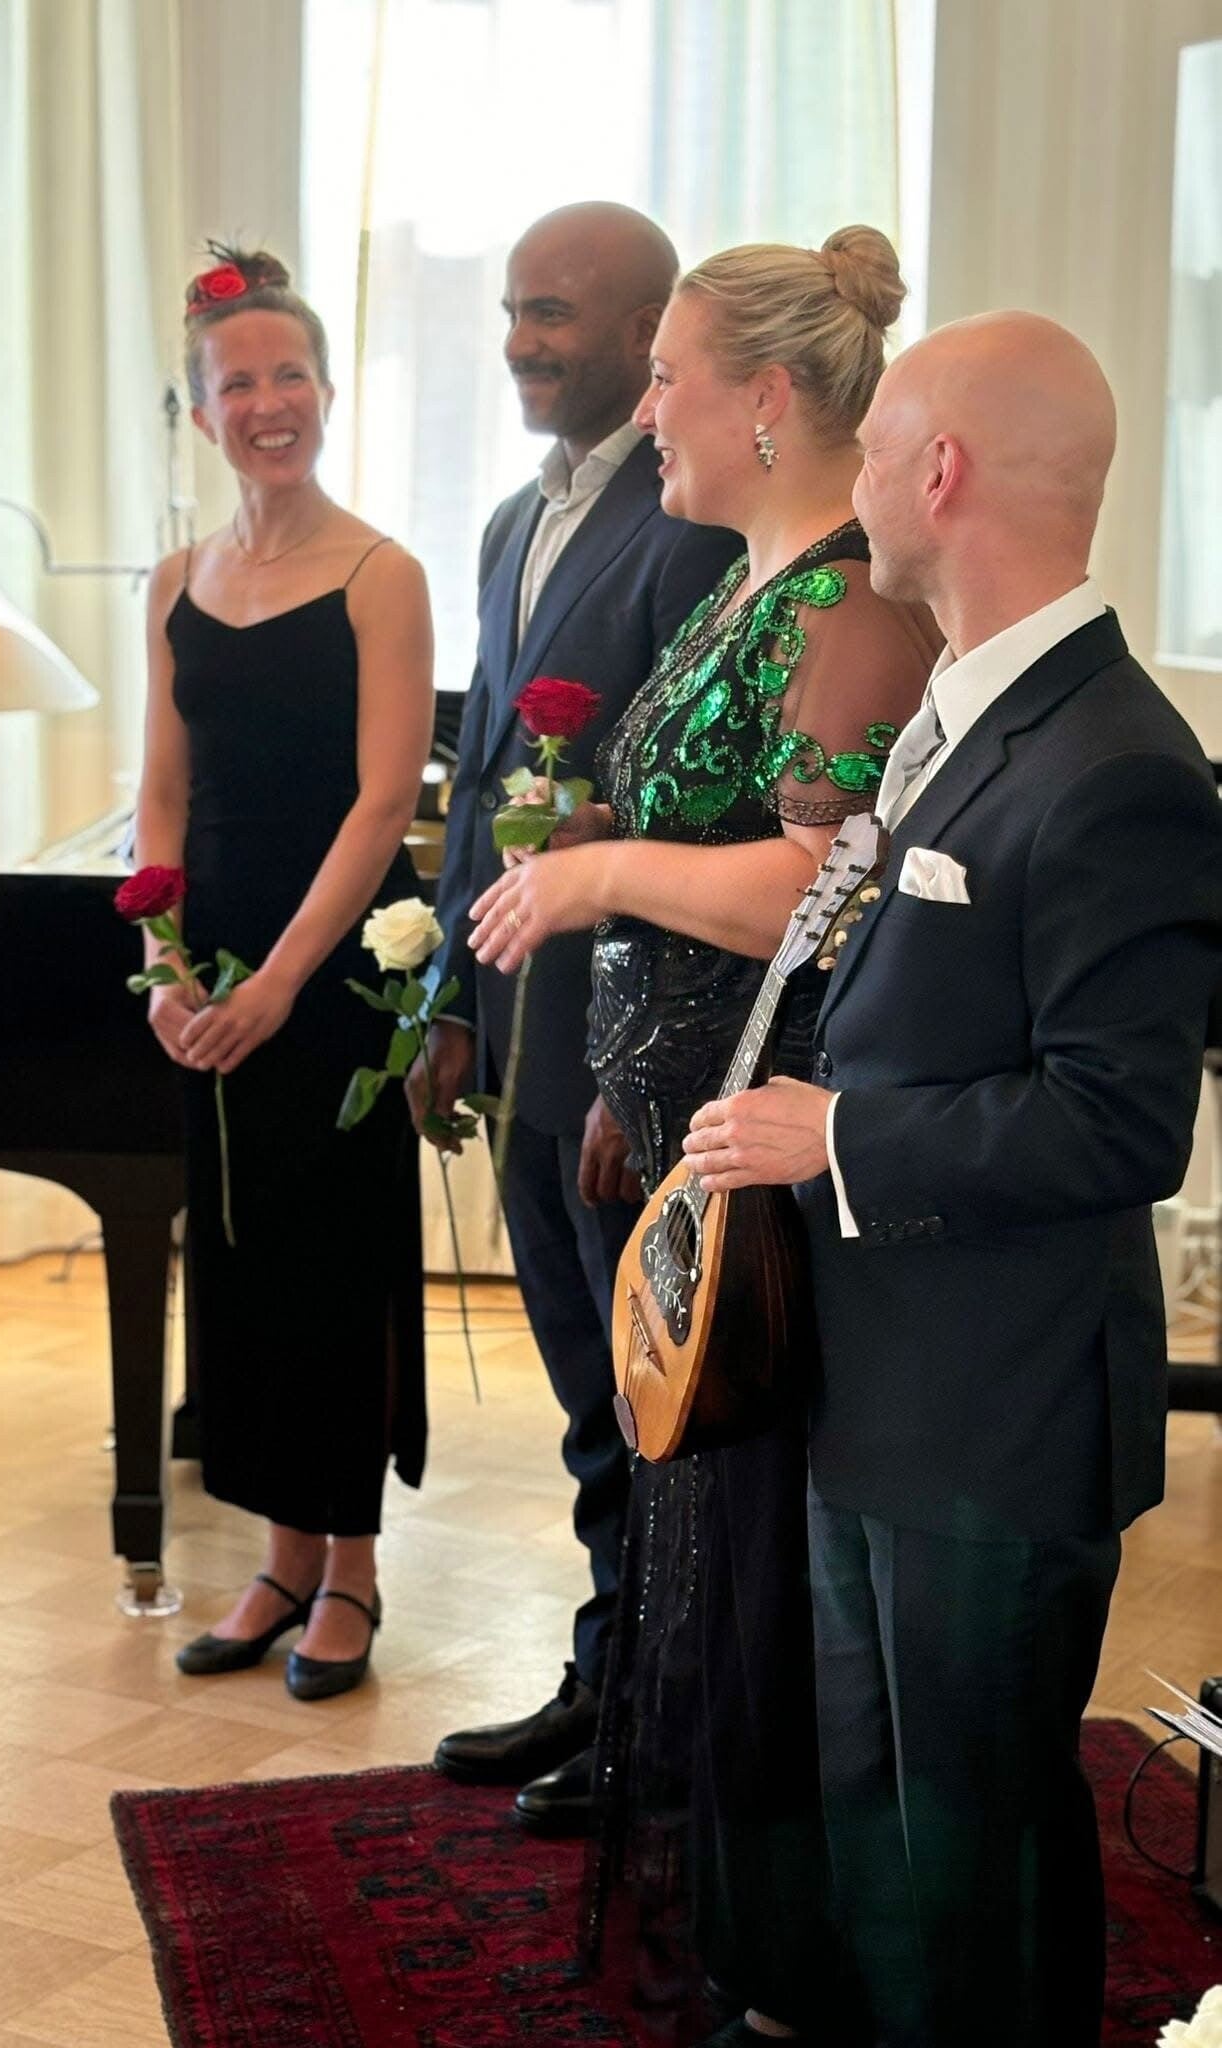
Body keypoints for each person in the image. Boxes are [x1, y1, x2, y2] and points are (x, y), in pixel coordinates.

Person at [681, 310, 1222, 2046]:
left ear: (938, 471)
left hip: (995, 1410)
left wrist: (832, 1137)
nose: (848, 488)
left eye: (871, 451)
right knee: (878, 1812)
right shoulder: (961, 710)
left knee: (972, 1849)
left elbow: (1121, 1123)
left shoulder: (1119, 764)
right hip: (879, 1375)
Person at [471, 230, 938, 2045]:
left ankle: (789, 1971)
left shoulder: (848, 602)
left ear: (765, 399)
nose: (646, 407)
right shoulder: (742, 585)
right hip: (674, 1132)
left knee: (756, 1574)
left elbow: (822, 887)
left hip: (770, 1171)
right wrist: (618, 1073)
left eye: (667, 375)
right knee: (688, 1547)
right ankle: (726, 1924)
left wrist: (595, 875)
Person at [408, 202, 742, 1832]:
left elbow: (685, 813)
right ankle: (606, 1672)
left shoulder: (691, 525)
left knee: (642, 1392)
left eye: (552, 314)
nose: (522, 343)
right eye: (512, 313)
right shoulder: (504, 523)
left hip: (616, 1048)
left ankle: (657, 1718)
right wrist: (446, 1006)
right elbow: (484, 777)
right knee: (579, 1389)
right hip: (512, 1017)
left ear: (641, 330)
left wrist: (633, 1076)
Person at [136, 244, 433, 1701]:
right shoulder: (175, 581)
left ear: (324, 390)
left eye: (291, 374)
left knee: (334, 1264)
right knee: (241, 1264)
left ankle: (352, 1567)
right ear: (201, 413)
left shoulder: (383, 575)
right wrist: (164, 966)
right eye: (239, 381)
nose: (270, 402)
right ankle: (278, 1555)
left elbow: (382, 807)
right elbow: (161, 797)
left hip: (342, 964)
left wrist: (278, 987)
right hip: (215, 969)